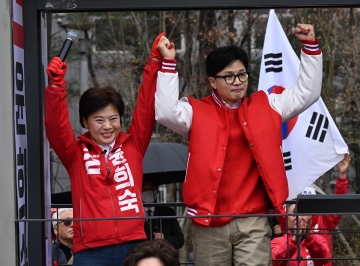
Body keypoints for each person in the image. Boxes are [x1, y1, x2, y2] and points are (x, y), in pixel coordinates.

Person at [155, 23, 322, 266]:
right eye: (229, 76)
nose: (238, 82)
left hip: (253, 219)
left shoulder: (268, 104)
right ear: (213, 81)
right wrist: (168, 64)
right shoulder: (196, 111)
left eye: (242, 74)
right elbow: (166, 113)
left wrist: (309, 47)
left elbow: (307, 93)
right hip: (209, 220)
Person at [44, 33, 165, 266]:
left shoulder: (134, 144)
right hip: (91, 250)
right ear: (85, 121)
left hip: (135, 246)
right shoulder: (74, 153)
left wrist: (154, 62)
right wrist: (56, 87)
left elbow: (146, 106)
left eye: (113, 118)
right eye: (99, 120)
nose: (108, 126)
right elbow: (55, 126)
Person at [142, 179, 184, 249]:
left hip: (162, 256)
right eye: (144, 189)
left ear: (157, 190)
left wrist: (164, 239)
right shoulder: (133, 213)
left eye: (151, 189)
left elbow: (179, 239)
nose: (147, 192)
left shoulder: (168, 212)